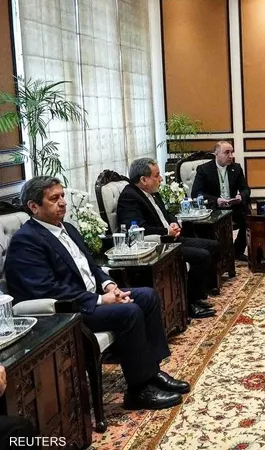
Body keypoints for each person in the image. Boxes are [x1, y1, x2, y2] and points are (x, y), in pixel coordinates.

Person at [5, 177, 191, 411]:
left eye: (62, 196)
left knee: (147, 296)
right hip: (68, 311)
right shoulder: (27, 241)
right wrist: (101, 300)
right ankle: (138, 391)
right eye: (54, 199)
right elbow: (47, 289)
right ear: (34, 206)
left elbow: (91, 267)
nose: (62, 202)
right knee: (130, 311)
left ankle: (152, 372)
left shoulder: (68, 228)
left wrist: (109, 286)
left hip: (92, 296)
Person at [117, 158, 217, 319]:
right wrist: (166, 231)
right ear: (143, 180)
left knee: (213, 246)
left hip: (172, 238)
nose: (161, 179)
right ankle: (190, 304)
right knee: (202, 256)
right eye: (157, 175)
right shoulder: (129, 197)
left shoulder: (152, 192)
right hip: (159, 246)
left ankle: (198, 295)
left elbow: (167, 213)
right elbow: (138, 228)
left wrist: (174, 223)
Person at [190, 141, 251, 261]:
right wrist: (216, 200)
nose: (231, 156)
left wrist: (241, 196)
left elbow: (246, 189)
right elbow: (196, 193)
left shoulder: (236, 168)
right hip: (214, 207)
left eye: (232, 152)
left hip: (233, 206)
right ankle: (217, 252)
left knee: (249, 218)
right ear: (216, 154)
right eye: (227, 152)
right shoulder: (204, 169)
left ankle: (237, 251)